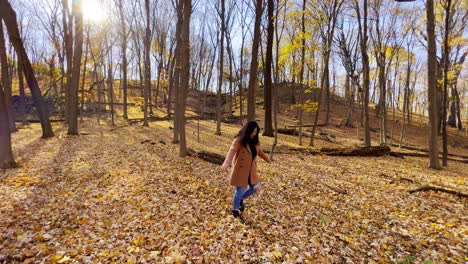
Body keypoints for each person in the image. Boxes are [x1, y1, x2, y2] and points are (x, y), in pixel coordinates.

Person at [221, 121, 271, 221]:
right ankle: (235, 211)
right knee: (239, 190)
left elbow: (260, 152)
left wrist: (268, 160)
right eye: (252, 131)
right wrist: (227, 162)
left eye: (256, 131)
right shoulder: (239, 140)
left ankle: (240, 200)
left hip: (251, 171)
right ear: (247, 130)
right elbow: (232, 151)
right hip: (241, 170)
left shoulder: (255, 141)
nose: (254, 133)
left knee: (256, 187)